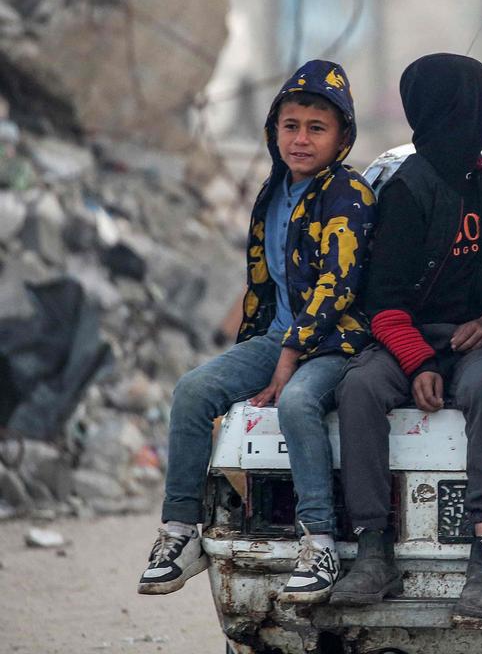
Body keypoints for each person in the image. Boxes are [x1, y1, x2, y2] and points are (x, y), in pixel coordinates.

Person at [137, 60, 376, 603]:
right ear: (274, 131)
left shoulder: (349, 194)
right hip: (280, 336)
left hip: (337, 339)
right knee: (193, 391)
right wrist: (257, 353)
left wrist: (287, 360)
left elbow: (338, 286)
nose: (300, 139)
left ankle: (318, 542)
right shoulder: (273, 193)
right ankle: (180, 532)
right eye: (290, 126)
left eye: (317, 128)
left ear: (342, 136)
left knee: (295, 403)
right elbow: (263, 288)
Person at [333, 54, 482, 618]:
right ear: (460, 111)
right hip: (409, 337)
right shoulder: (408, 192)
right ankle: (372, 546)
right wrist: (417, 364)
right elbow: (382, 302)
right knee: (359, 389)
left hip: (473, 341)